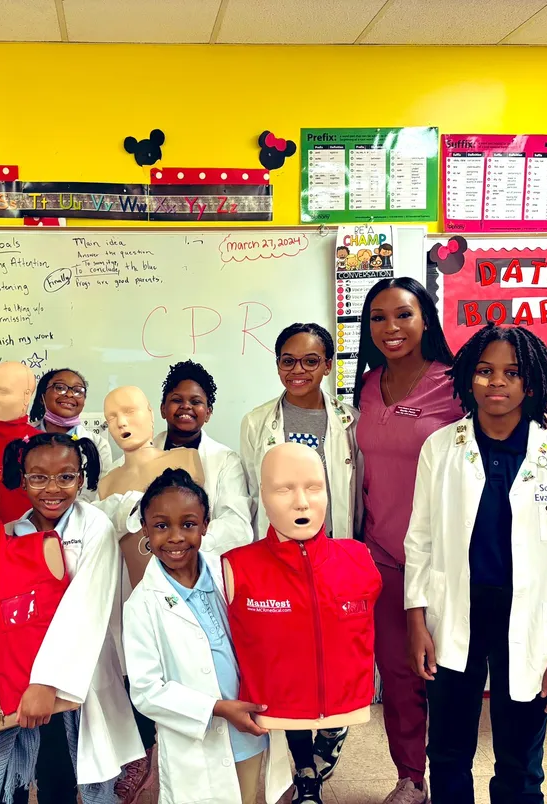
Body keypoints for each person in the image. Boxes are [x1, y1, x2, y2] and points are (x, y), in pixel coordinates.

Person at [405, 324, 547, 804]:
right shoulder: (441, 448)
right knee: (447, 750)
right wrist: (416, 619)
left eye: (512, 372)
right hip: (455, 614)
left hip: (529, 620)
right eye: (485, 371)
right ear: (468, 377)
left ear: (531, 382)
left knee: (520, 757)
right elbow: (420, 540)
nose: (496, 383)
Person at [0, 432, 142, 804]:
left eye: (66, 477)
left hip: (73, 679)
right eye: (38, 477)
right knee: (17, 776)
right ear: (22, 479)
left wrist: (48, 681)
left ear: (81, 479)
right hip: (17, 681)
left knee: (62, 774)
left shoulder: (93, 527)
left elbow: (85, 605)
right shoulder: (6, 536)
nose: (53, 488)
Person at [351, 277, 459, 804]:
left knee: (450, 673)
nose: (390, 328)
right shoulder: (367, 386)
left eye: (403, 315)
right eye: (377, 318)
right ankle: (410, 777)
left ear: (426, 319)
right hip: (384, 559)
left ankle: (453, 778)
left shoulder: (458, 383)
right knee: (398, 676)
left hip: (446, 562)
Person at [239, 322, 357, 802]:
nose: (299, 370)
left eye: (311, 360)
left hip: (332, 556)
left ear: (328, 365)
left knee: (335, 657)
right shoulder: (256, 422)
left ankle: (329, 738)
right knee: (291, 666)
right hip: (279, 558)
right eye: (288, 360)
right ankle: (304, 772)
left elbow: (357, 493)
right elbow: (251, 493)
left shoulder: (350, 420)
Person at [123, 469, 292, 804]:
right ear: (145, 529)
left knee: (246, 797)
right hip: (197, 739)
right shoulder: (141, 603)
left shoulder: (228, 572)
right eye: (161, 526)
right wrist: (216, 708)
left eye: (188, 524)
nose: (175, 537)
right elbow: (145, 691)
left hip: (250, 732)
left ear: (205, 525)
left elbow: (264, 635)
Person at [142, 359, 254, 555]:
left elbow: (238, 527)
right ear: (162, 409)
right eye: (177, 400)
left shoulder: (225, 460)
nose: (186, 406)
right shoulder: (141, 455)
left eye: (196, 402)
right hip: (145, 565)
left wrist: (185, 539)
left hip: (203, 566)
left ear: (208, 413)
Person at [29, 368, 114, 501]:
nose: (69, 394)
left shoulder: (99, 446)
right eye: (60, 387)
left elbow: (97, 496)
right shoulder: (25, 436)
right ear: (42, 397)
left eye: (78, 391)